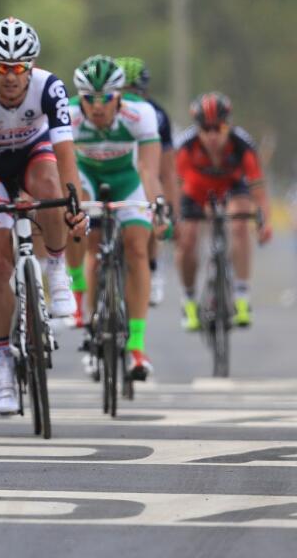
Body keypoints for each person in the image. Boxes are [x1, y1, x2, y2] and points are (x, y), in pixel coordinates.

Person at [0, 18, 88, 415]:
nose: (10, 77)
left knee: (51, 185)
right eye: (1, 67)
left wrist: (75, 209)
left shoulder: (51, 87)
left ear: (30, 67)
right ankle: (4, 363)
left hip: (34, 156)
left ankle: (57, 267)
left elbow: (67, 159)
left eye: (18, 68)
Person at [66, 56, 165, 379]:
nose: (97, 106)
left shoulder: (141, 114)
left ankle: (136, 346)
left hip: (127, 180)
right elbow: (62, 171)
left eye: (105, 98)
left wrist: (158, 206)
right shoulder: (68, 116)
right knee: (83, 230)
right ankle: (81, 298)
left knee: (137, 247)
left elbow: (149, 170)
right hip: (86, 178)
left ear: (119, 95)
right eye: (88, 99)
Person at [174, 92, 271, 329]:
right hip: (195, 190)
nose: (213, 135)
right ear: (197, 128)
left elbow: (258, 188)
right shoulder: (185, 146)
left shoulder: (242, 144)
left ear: (229, 125)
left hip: (231, 186)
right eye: (206, 129)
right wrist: (173, 220)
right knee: (187, 238)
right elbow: (174, 189)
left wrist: (263, 222)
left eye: (219, 128)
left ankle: (242, 297)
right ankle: (188, 300)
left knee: (239, 225)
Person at [114, 57, 177, 307]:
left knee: (150, 204)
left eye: (134, 92)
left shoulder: (156, 115)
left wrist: (170, 211)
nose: (128, 98)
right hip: (113, 167)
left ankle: (152, 265)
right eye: (122, 92)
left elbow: (167, 169)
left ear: (144, 92)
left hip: (144, 168)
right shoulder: (99, 108)